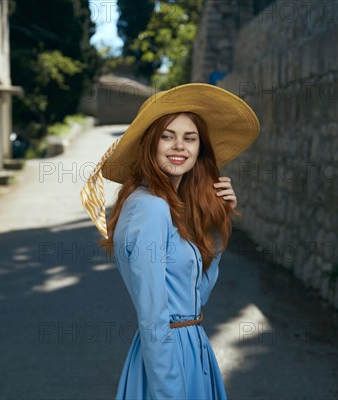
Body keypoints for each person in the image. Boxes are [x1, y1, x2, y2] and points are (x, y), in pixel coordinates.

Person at [81, 83, 260, 399]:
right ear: (150, 144)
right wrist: (168, 392)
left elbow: (196, 297)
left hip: (191, 349)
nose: (179, 146)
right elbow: (152, 317)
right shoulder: (151, 208)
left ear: (199, 151)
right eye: (168, 136)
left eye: (190, 138)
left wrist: (218, 223)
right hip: (169, 357)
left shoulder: (164, 205)